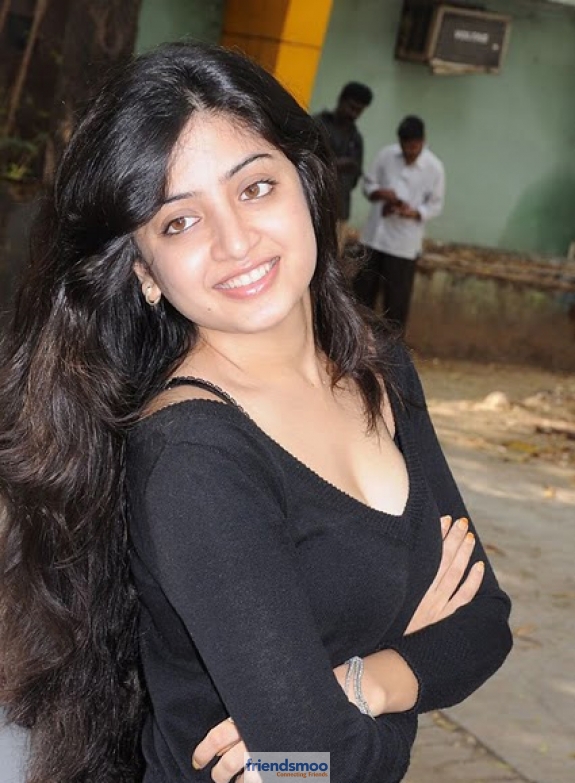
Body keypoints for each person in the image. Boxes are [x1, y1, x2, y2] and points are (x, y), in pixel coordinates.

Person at [0, 42, 512, 783]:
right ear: (144, 271)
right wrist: (403, 675)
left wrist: (358, 687)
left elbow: (484, 622)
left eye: (255, 187)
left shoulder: (381, 370)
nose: (235, 241)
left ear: (307, 184)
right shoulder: (194, 455)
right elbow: (323, 766)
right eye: (179, 222)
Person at [354, 115, 445, 334]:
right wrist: (380, 193)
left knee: (396, 304)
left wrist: (414, 213)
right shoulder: (386, 155)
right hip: (374, 238)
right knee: (361, 296)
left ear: (422, 141)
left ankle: (392, 349)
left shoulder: (434, 168)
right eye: (405, 147)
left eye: (414, 147)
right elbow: (368, 184)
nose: (409, 151)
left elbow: (435, 205)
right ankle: (355, 339)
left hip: (403, 246)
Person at [315, 82, 373, 241]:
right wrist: (336, 165)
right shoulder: (318, 125)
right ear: (341, 100)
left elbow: (354, 178)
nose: (353, 114)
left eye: (359, 111)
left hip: (339, 212)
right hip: (312, 205)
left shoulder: (356, 138)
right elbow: (304, 163)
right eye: (351, 107)